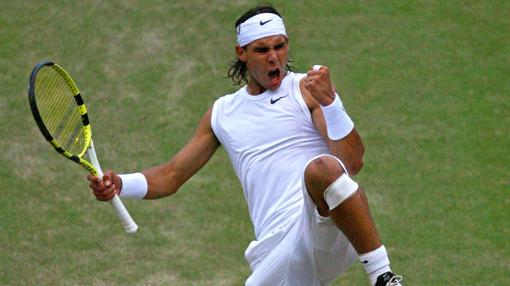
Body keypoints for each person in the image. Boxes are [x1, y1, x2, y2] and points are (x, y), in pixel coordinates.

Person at [88, 5, 403, 286]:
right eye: (262, 49)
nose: (273, 57)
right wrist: (120, 185)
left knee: (323, 169)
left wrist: (331, 102)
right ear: (242, 52)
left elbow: (352, 162)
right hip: (276, 253)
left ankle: (383, 277)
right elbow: (171, 175)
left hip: (324, 227)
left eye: (280, 46)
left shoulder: (308, 91)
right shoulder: (222, 113)